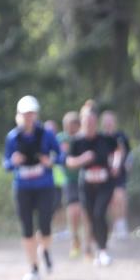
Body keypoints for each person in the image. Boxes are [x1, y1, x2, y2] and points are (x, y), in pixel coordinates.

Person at [3, 95, 60, 280]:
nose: (28, 118)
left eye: (31, 114)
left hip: (44, 186)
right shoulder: (12, 137)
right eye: (25, 114)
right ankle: (34, 268)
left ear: (36, 115)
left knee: (45, 226)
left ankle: (44, 250)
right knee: (27, 228)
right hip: (23, 188)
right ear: (19, 115)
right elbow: (6, 164)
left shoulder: (47, 134)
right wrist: (13, 161)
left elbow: (61, 156)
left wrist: (50, 161)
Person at [67, 104, 122, 266]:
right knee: (91, 216)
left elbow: (117, 151)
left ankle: (102, 250)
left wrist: (116, 164)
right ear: (82, 122)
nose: (89, 124)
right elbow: (69, 161)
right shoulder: (77, 141)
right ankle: (95, 249)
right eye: (86, 121)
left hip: (105, 183)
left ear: (96, 122)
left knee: (99, 213)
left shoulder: (105, 138)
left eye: (92, 121)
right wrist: (82, 159)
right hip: (86, 184)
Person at [58, 111, 87, 259]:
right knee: (73, 211)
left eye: (73, 126)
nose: (70, 129)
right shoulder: (61, 139)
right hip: (70, 180)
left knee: (85, 212)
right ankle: (75, 240)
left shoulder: (84, 137)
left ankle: (88, 244)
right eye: (67, 126)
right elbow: (61, 157)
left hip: (85, 179)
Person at [100, 110, 131, 238]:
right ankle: (116, 225)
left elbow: (128, 153)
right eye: (106, 121)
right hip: (105, 174)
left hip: (120, 172)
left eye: (110, 121)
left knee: (120, 196)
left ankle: (122, 223)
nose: (108, 124)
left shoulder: (121, 136)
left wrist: (128, 164)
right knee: (111, 200)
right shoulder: (100, 137)